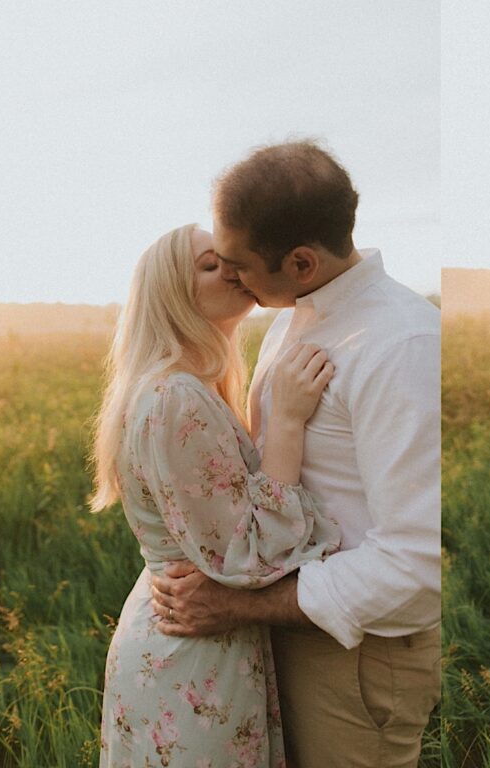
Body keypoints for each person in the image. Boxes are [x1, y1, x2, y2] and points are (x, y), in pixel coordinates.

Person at [149, 141, 441, 768]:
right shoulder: (292, 318)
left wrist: (235, 603)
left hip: (357, 659)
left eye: (239, 265)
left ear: (302, 262)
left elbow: (416, 567)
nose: (232, 279)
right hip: (284, 631)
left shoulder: (403, 345)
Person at [90, 223, 341, 767]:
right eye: (210, 265)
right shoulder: (176, 396)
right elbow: (247, 554)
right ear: (173, 296)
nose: (232, 269)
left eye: (229, 258)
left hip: (179, 642)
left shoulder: (174, 386)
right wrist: (290, 421)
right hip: (191, 658)